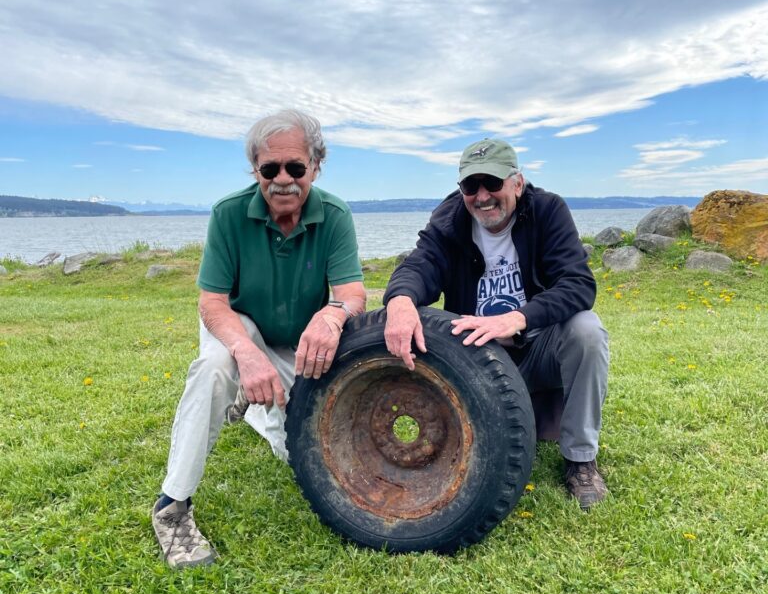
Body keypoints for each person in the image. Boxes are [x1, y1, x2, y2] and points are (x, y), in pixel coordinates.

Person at [152, 110, 366, 568]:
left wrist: (332, 315)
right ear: (255, 169)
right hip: (240, 326)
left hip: (299, 340)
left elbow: (351, 293)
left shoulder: (335, 215)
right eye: (270, 169)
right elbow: (211, 303)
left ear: (316, 165)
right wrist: (246, 353)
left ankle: (252, 406)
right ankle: (171, 507)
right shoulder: (229, 214)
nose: (282, 180)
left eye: (296, 167)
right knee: (214, 370)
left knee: (298, 454)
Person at [383, 138, 609, 509]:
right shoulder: (450, 219)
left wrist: (517, 319)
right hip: (478, 359)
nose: (482, 196)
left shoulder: (549, 210)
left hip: (535, 348)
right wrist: (401, 300)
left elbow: (579, 284)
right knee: (412, 312)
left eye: (493, 183)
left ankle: (581, 460)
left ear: (517, 183)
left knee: (587, 329)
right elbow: (419, 265)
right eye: (471, 186)